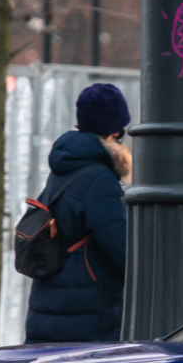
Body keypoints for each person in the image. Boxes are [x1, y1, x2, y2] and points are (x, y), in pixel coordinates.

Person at [24, 82, 131, 344]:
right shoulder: (99, 179)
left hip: (50, 303)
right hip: (86, 314)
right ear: (115, 131)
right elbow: (122, 250)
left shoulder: (63, 169)